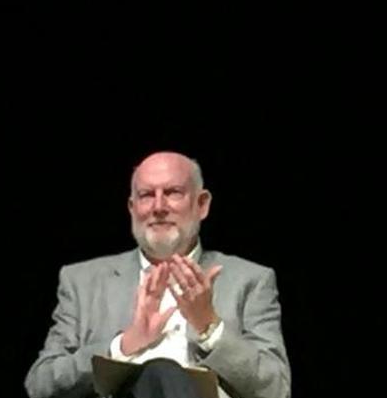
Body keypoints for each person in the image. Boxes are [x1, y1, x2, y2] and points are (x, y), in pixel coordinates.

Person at [25, 151, 291, 398]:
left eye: (173, 192)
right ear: (132, 208)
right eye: (146, 195)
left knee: (165, 372)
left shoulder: (250, 280)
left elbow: (276, 388)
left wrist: (210, 329)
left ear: (202, 204)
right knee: (158, 371)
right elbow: (40, 384)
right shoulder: (82, 282)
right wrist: (124, 345)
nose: (159, 206)